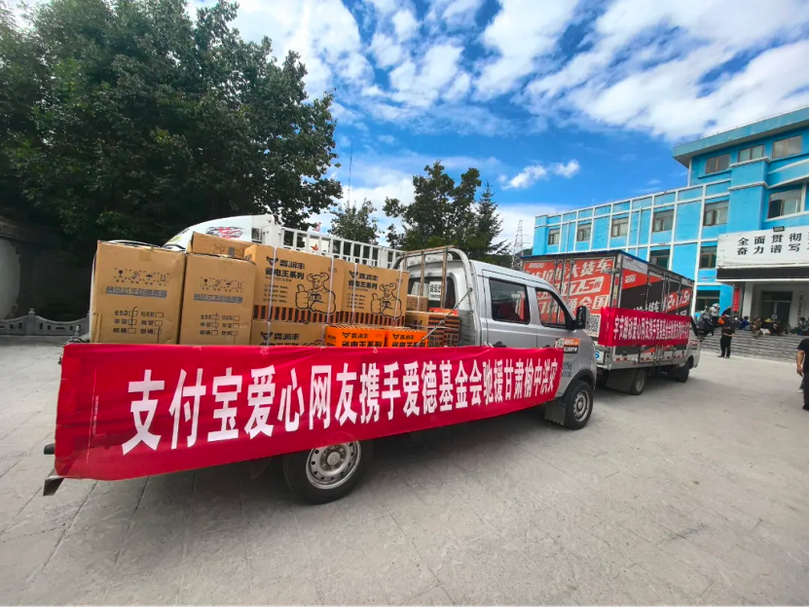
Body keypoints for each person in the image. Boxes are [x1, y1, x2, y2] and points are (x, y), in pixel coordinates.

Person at [797, 337, 809, 411]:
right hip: (808, 368)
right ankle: (808, 404)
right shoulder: (806, 342)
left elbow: (800, 353)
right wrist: (799, 366)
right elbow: (800, 353)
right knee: (807, 387)